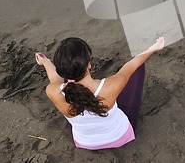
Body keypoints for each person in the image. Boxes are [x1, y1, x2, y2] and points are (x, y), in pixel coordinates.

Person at [35, 36, 164, 150]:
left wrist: (46, 62)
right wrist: (152, 49)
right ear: (89, 65)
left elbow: (54, 79)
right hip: (119, 137)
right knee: (136, 68)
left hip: (84, 142)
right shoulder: (110, 86)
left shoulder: (52, 91)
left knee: (70, 105)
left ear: (61, 71)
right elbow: (132, 65)